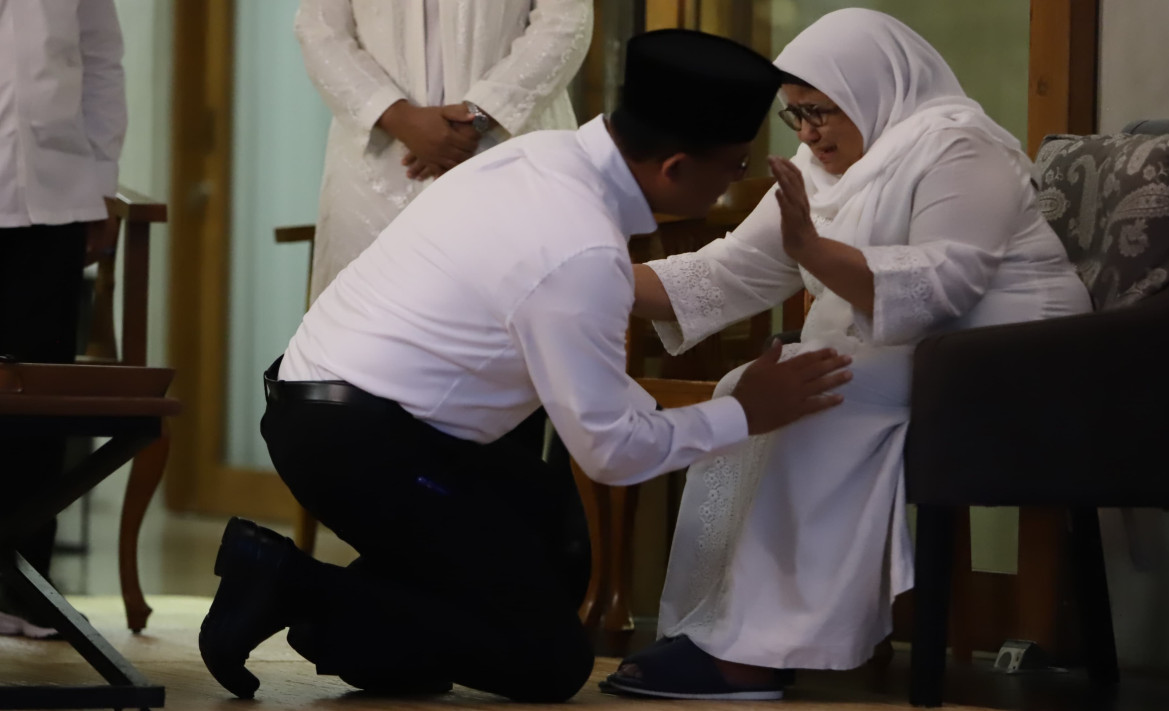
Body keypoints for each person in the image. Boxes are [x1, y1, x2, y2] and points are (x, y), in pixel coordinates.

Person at [198, 29, 854, 703]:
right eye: (735, 164)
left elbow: (580, 310)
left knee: (554, 538)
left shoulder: (540, 157)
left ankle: (368, 639)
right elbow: (610, 450)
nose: (736, 180)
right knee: (546, 660)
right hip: (357, 441)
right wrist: (746, 411)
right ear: (676, 168)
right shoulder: (579, 248)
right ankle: (284, 579)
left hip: (334, 406)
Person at [602, 9, 1093, 700]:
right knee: (754, 383)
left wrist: (811, 250)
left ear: (872, 87)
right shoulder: (821, 166)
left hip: (1015, 362)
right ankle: (727, 627)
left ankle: (759, 652)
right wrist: (587, 273)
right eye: (792, 115)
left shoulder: (957, 144)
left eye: (818, 112)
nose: (806, 133)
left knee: (817, 385)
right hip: (917, 359)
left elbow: (941, 286)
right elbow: (723, 273)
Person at [295, 0, 593, 301]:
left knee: (519, 321)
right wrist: (397, 116)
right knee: (370, 328)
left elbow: (566, 22)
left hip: (509, 156)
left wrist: (478, 117)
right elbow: (318, 28)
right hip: (377, 170)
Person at [0, 0, 126, 632]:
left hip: (52, 196)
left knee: (37, 400)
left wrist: (102, 179)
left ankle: (23, 585)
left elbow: (101, 59)